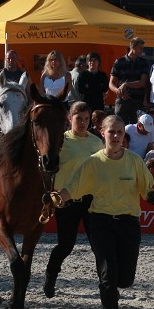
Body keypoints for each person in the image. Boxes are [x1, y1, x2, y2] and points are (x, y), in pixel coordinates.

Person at [54, 114, 154, 309]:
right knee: (108, 276)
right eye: (111, 131)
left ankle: (115, 292)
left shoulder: (134, 161)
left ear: (124, 136)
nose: (116, 136)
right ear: (102, 133)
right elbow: (72, 188)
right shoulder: (93, 162)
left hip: (129, 223)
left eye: (120, 132)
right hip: (100, 222)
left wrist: (151, 195)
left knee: (126, 279)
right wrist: (56, 198)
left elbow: (146, 187)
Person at [43, 102, 103, 298]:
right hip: (66, 200)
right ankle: (51, 275)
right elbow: (49, 168)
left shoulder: (96, 142)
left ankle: (106, 284)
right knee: (66, 245)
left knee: (99, 245)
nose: (83, 123)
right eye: (79, 119)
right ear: (70, 119)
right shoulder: (61, 141)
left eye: (86, 119)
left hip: (90, 201)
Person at [110, 37, 150, 125]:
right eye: (140, 48)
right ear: (133, 47)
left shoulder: (143, 62)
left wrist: (126, 85)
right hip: (122, 101)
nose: (142, 51)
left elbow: (142, 83)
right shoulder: (119, 62)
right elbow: (111, 83)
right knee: (119, 125)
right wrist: (118, 91)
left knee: (136, 128)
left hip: (137, 101)